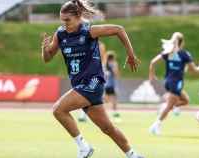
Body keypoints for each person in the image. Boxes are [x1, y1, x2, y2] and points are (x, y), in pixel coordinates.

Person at [41, 1, 144, 158]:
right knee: (108, 128)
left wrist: (130, 54)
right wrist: (44, 49)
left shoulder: (89, 31)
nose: (64, 23)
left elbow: (119, 29)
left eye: (67, 20)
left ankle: (84, 148)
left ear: (78, 17)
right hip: (80, 84)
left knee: (58, 110)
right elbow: (47, 59)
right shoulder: (61, 34)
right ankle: (133, 155)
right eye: (62, 20)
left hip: (93, 83)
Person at [148, 32, 199, 135]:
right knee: (169, 106)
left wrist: (151, 75)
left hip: (167, 81)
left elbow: (152, 62)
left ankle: (165, 106)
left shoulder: (168, 52)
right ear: (182, 42)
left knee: (185, 100)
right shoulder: (184, 54)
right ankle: (155, 126)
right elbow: (194, 70)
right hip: (176, 83)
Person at [104, 51, 121, 122]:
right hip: (112, 84)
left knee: (106, 100)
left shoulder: (105, 64)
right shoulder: (114, 64)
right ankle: (115, 114)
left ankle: (105, 114)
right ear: (113, 58)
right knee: (114, 100)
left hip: (106, 84)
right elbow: (116, 74)